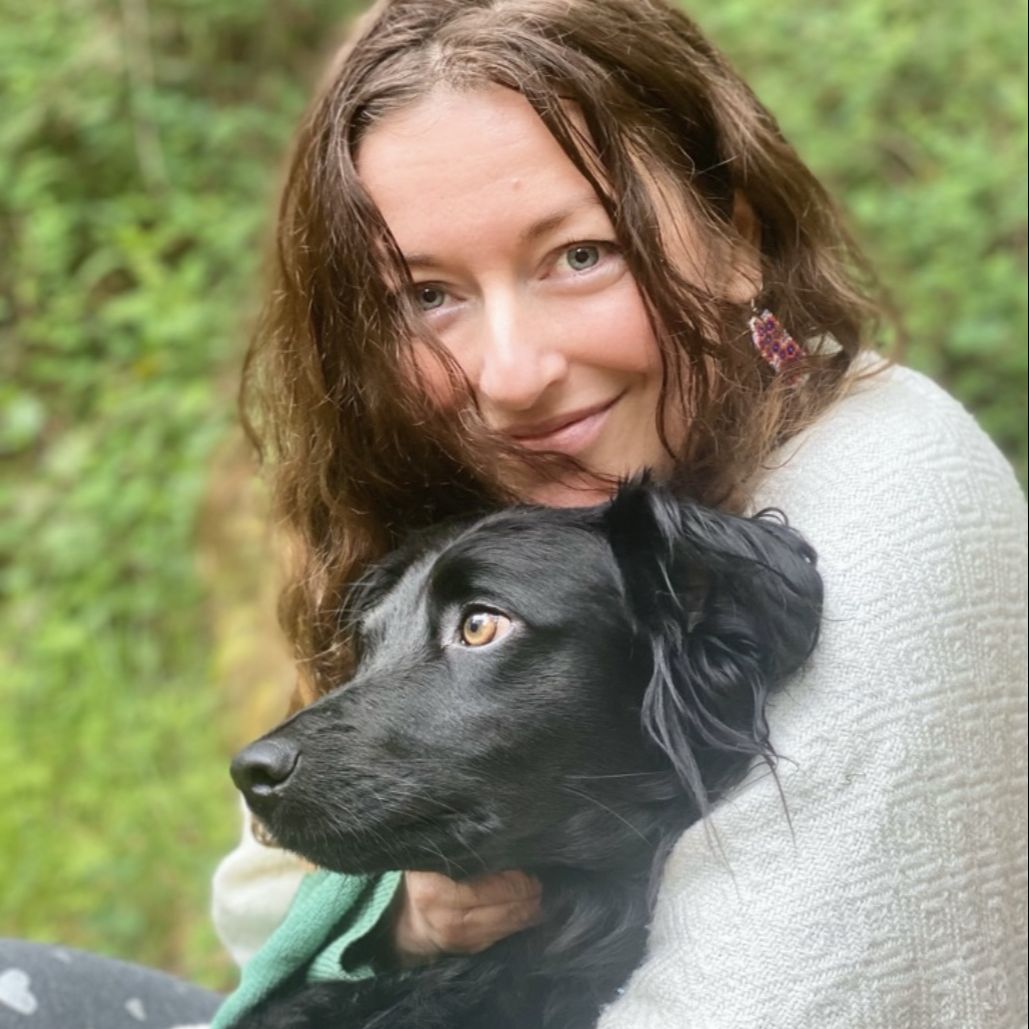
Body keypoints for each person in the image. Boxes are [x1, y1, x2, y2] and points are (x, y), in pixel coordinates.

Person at [2, 0, 1023, 1027]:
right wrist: (402, 912)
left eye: (580, 255)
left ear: (737, 238)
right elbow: (262, 897)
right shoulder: (528, 480)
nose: (512, 374)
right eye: (427, 296)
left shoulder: (889, 494)